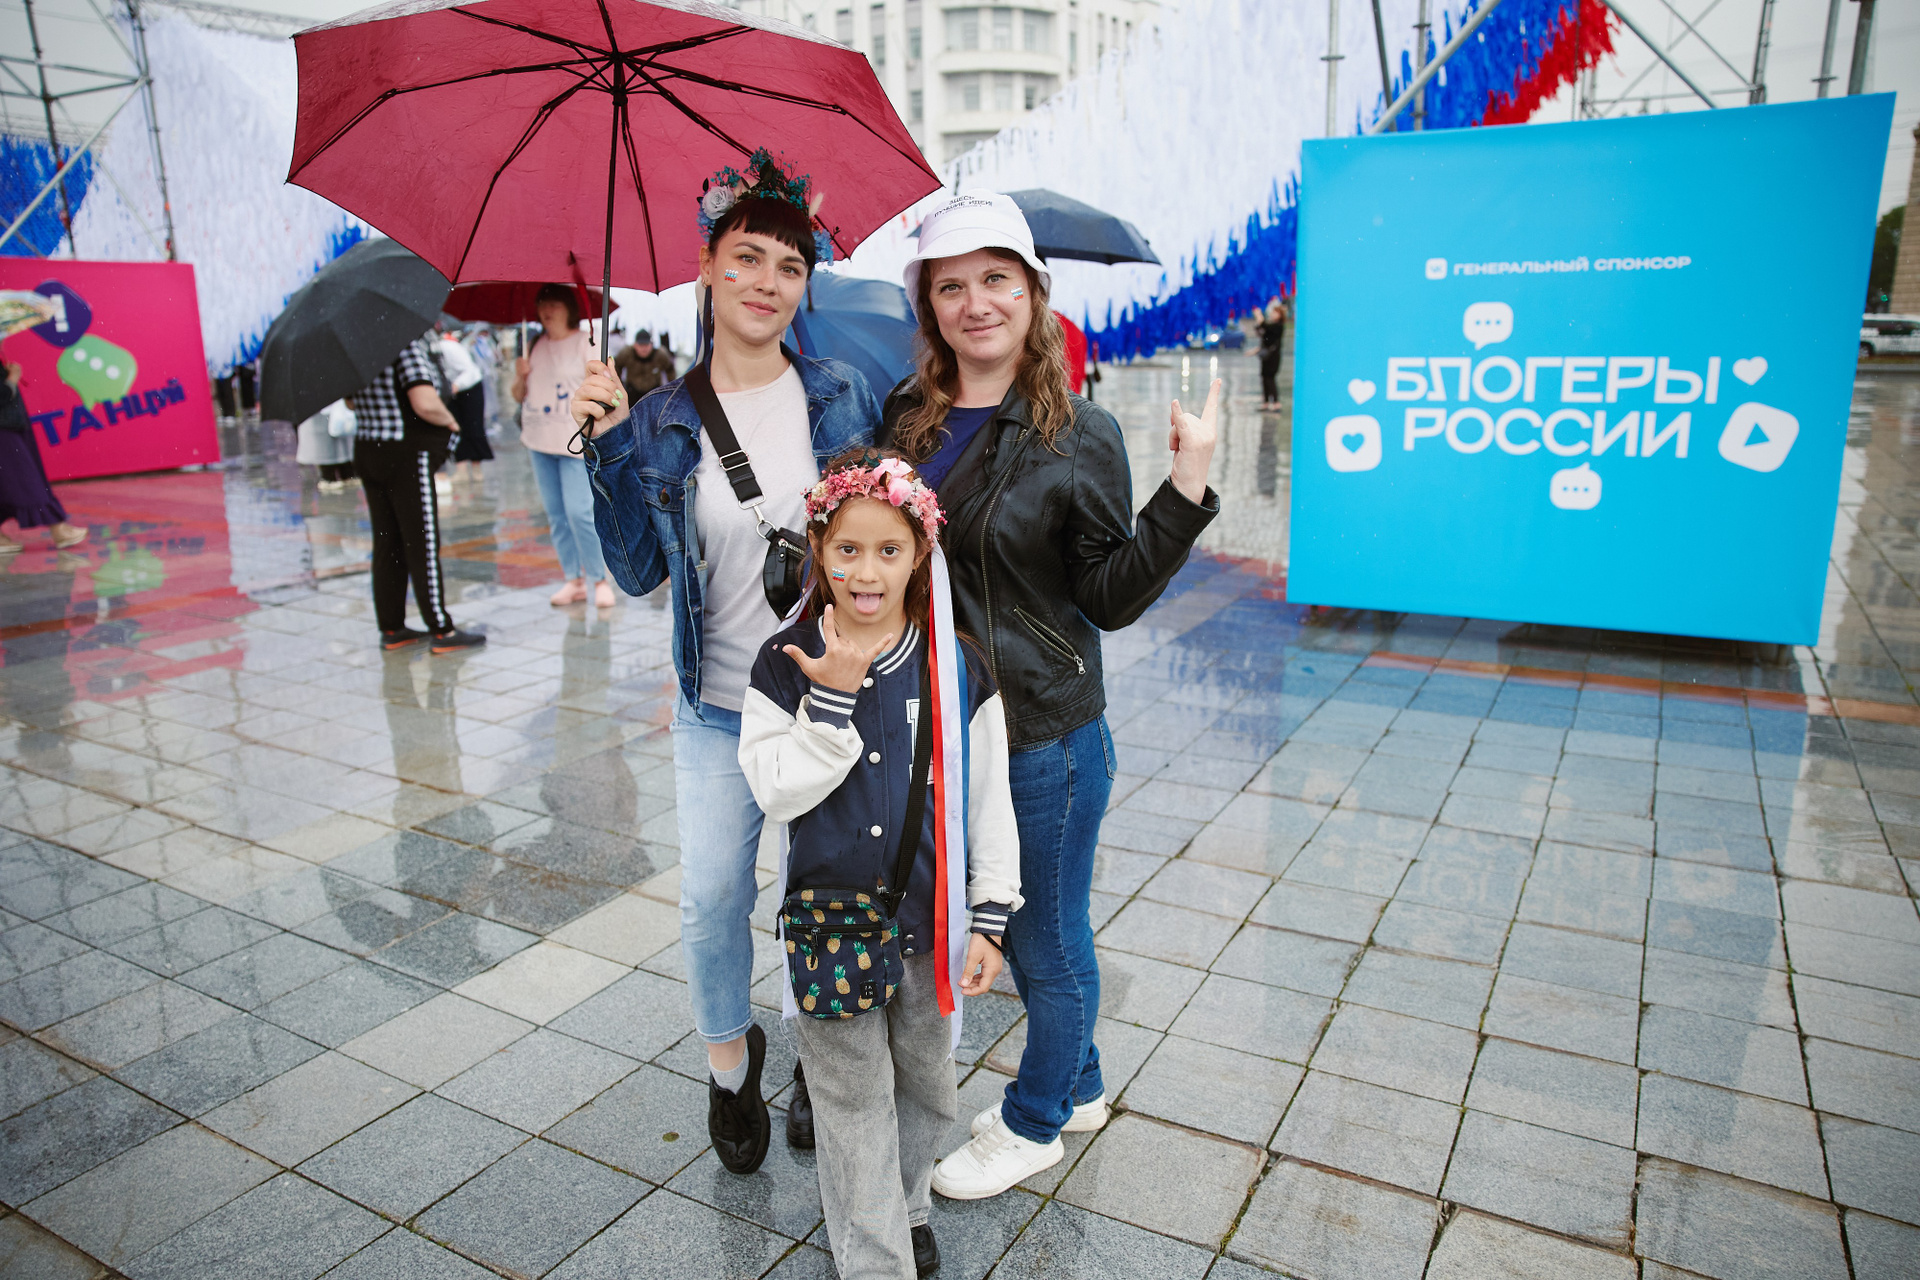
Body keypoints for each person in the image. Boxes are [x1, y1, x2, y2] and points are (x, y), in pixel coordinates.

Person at [875, 190, 1220, 1199]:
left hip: (1040, 735)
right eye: (951, 287)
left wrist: (1186, 488)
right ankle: (1082, 1082)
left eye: (996, 280)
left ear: (1032, 293)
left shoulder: (1078, 431)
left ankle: (1034, 1122)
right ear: (929, 305)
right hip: (944, 724)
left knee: (1044, 937)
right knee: (1030, 935)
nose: (976, 303)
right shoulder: (906, 415)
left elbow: (1109, 595)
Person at [569, 150, 880, 1176]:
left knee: (816, 897)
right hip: (715, 708)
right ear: (705, 267)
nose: (765, 283)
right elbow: (637, 572)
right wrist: (608, 450)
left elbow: (876, 544)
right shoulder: (663, 415)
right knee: (711, 901)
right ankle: (730, 1065)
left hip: (824, 699)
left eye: (789, 266)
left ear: (804, 285)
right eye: (745, 258)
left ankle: (816, 1061)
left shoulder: (841, 396)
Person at [739, 451, 1020, 1279]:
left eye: (888, 551)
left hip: (931, 926)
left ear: (920, 554)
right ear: (818, 552)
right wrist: (830, 701)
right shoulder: (783, 662)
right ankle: (875, 1259)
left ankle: (906, 1207)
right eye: (848, 550)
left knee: (928, 1086)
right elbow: (775, 790)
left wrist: (991, 917)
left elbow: (987, 798)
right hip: (828, 930)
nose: (867, 572)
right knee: (850, 1100)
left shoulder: (956, 665)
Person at [351, 334, 486, 653]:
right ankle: (442, 629)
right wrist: (452, 423)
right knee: (421, 541)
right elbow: (423, 401)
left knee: (386, 540)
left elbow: (350, 402)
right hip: (405, 452)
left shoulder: (357, 347)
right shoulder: (403, 343)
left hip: (368, 447)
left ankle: (392, 626)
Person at [515, 284, 616, 608]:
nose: (547, 311)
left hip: (574, 441)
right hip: (538, 440)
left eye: (554, 304)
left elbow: (605, 389)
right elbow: (519, 395)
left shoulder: (587, 343)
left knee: (579, 513)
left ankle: (599, 579)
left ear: (569, 308)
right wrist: (520, 376)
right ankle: (573, 579)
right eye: (542, 304)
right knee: (556, 515)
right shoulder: (533, 344)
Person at [0, 359, 86, 553]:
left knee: (10, 482)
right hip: (4, 430)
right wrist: (11, 380)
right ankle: (58, 527)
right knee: (25, 478)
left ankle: (59, 527)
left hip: (10, 426)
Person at [437, 325, 493, 482]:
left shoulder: (449, 347)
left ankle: (476, 469)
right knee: (455, 428)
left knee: (474, 426)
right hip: (450, 390)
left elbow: (469, 369)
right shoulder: (430, 352)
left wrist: (457, 385)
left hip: (470, 386)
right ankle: (461, 470)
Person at [296, 399, 357, 492]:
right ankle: (328, 477)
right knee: (323, 446)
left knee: (339, 443)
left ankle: (347, 473)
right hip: (317, 413)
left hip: (334, 410)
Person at [613, 328, 675, 404]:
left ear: (651, 345)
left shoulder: (660, 355)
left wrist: (670, 389)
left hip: (654, 392)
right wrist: (618, 386)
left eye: (646, 345)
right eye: (641, 345)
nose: (644, 348)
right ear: (635, 345)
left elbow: (670, 369)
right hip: (632, 392)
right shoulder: (627, 353)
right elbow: (617, 366)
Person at [1256, 296, 1287, 408]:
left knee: (1270, 378)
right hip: (1267, 356)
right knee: (1265, 378)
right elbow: (1263, 332)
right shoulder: (1272, 325)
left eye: (1275, 313)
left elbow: (1264, 326)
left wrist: (1259, 315)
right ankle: (1266, 401)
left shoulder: (1278, 326)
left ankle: (1275, 402)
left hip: (1273, 356)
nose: (1272, 315)